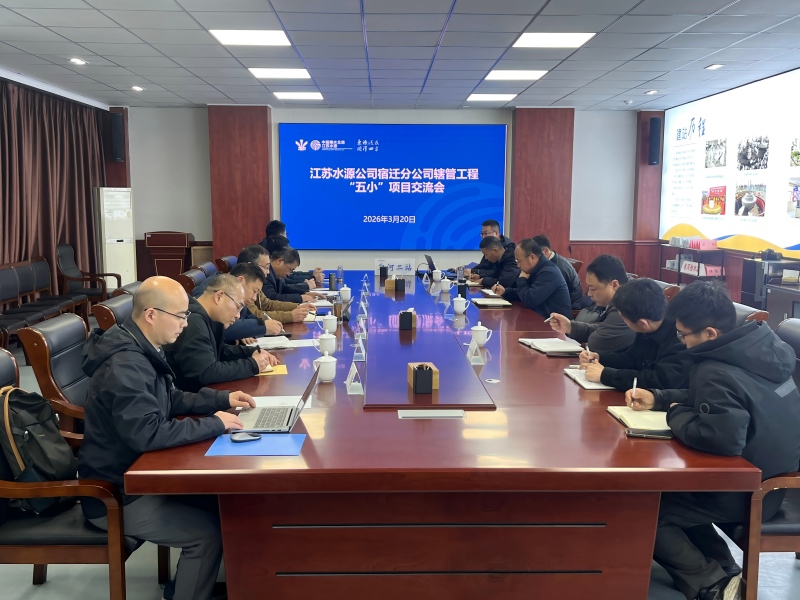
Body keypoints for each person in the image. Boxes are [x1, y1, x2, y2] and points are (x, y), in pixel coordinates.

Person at [78, 276, 255, 600]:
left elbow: (169, 398)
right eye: (180, 316)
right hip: (118, 495)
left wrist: (221, 400)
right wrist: (214, 425)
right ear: (151, 315)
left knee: (226, 503)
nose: (186, 324)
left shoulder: (140, 346)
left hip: (135, 476)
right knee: (206, 535)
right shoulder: (126, 364)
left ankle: (200, 585)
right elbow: (148, 433)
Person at [625, 281, 800, 600]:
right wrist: (660, 397)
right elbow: (723, 400)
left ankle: (712, 585)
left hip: (747, 489)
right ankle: (723, 567)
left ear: (709, 333)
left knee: (643, 506)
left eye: (683, 335)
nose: (681, 342)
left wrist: (674, 413)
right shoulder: (760, 347)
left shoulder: (716, 370)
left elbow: (720, 439)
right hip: (775, 479)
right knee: (669, 497)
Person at [165, 273, 279, 393]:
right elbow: (206, 373)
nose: (238, 315)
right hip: (189, 398)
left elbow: (218, 350)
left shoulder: (208, 318)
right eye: (238, 307)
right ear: (219, 296)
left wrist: (250, 352)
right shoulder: (193, 322)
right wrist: (253, 365)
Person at [579, 278, 691, 391]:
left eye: (624, 320)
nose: (625, 323)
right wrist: (600, 358)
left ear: (643, 324)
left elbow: (658, 380)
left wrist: (605, 375)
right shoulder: (648, 324)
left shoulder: (681, 338)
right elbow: (631, 358)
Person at [548, 255, 636, 353]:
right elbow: (604, 328)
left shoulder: (627, 303)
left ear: (614, 285)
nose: (589, 293)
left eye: (593, 288)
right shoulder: (622, 295)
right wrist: (570, 327)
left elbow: (597, 343)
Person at [492, 238, 571, 318]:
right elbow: (524, 292)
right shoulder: (536, 268)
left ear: (532, 257)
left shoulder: (549, 272)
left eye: (519, 261)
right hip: (538, 317)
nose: (518, 265)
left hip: (553, 323)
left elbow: (530, 300)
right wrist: (505, 292)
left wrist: (522, 279)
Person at [234, 245, 314, 324]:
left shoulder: (253, 283)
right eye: (266, 267)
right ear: (251, 265)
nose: (268, 272)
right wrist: (290, 316)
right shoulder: (236, 287)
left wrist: (297, 306)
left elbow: (268, 304)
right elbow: (255, 315)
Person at [259, 220, 323, 287]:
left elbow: (289, 277)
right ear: (281, 235)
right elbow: (288, 280)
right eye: (286, 234)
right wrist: (311, 279)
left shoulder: (267, 246)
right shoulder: (271, 254)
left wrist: (311, 275)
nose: (287, 237)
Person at [531, 234, 584, 309]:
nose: (532, 259)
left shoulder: (558, 267)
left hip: (569, 308)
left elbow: (540, 295)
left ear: (545, 251)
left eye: (534, 255)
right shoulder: (549, 263)